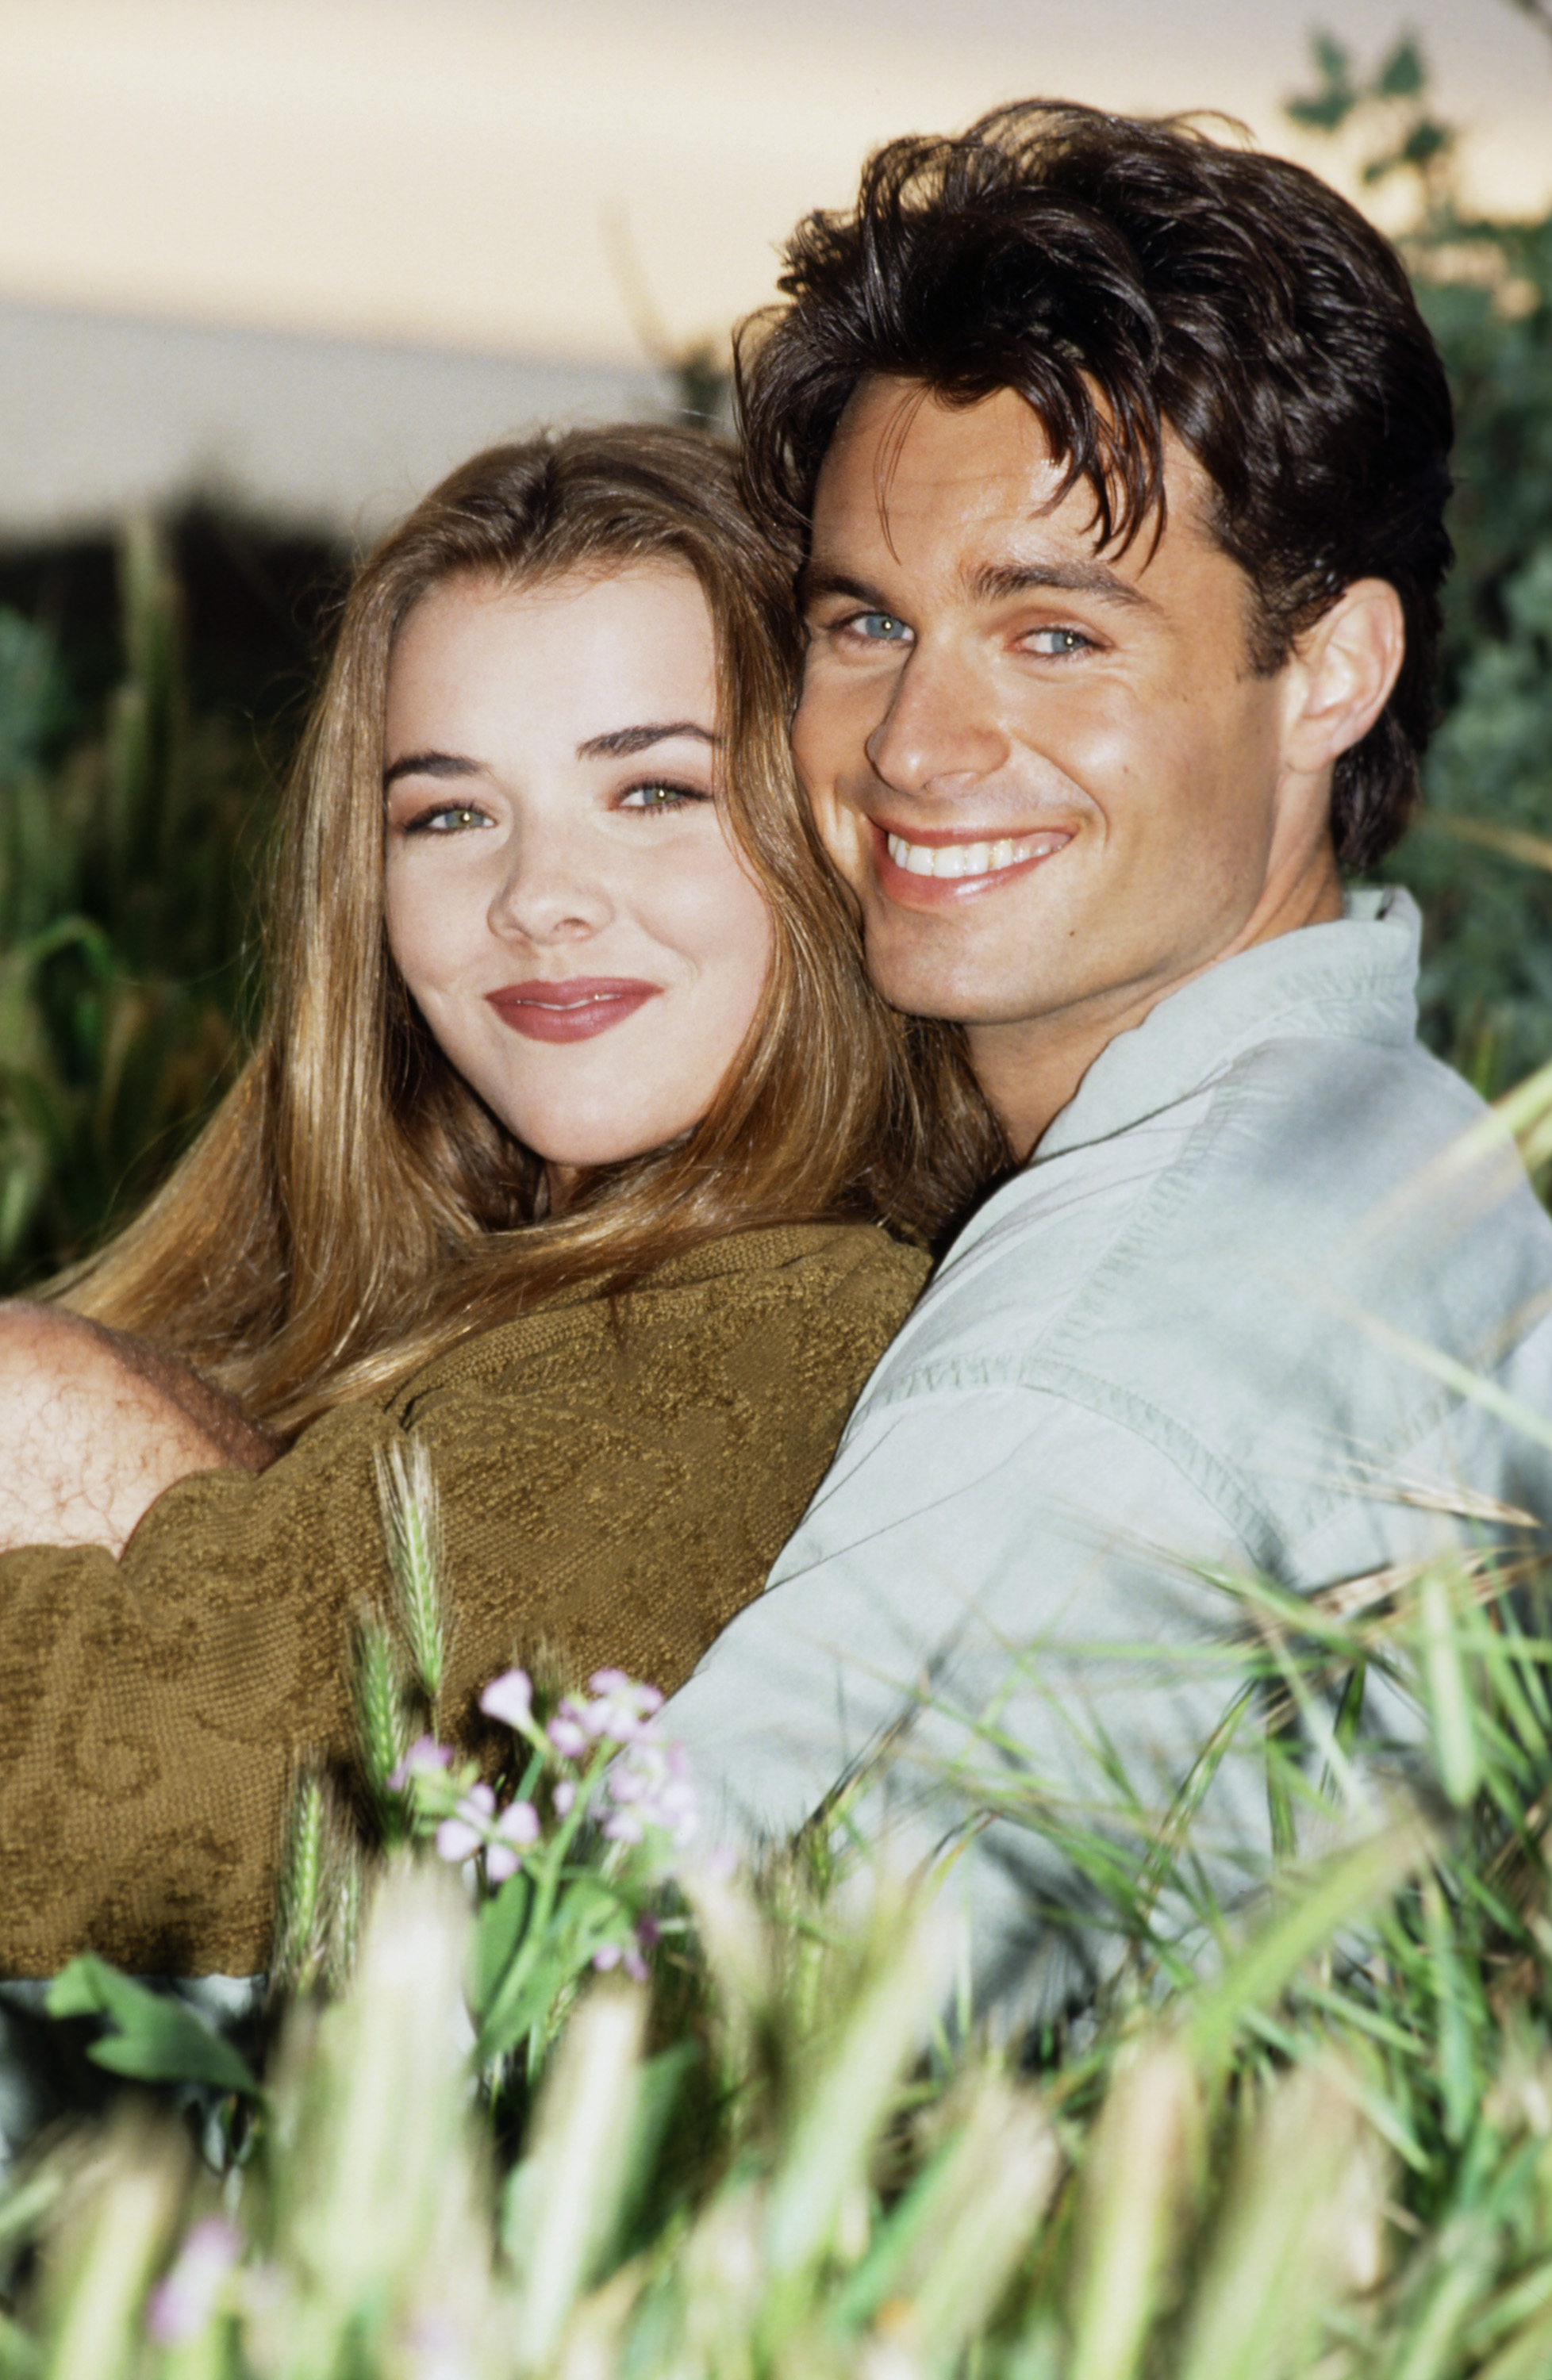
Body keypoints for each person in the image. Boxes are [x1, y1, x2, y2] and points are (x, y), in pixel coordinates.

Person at [655, 102, 1552, 2022]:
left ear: (1331, 672)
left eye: (1055, 634)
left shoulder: (1108, 1354)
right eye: (868, 621)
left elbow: (610, 2012)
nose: (911, 744)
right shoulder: (1403, 1146)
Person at [0, 428, 1004, 1977]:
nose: (539, 895)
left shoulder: (795, 1326)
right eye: (449, 815)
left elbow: (218, 1801)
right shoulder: (419, 1286)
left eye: (656, 792)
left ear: (834, 822)